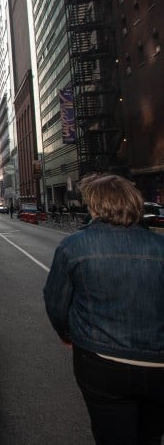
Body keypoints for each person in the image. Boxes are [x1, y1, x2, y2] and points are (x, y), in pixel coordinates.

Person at [43, 174, 164, 445]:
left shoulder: (74, 246)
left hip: (101, 362)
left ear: (95, 207)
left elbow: (56, 302)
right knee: (151, 435)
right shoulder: (160, 247)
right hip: (159, 364)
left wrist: (67, 334)